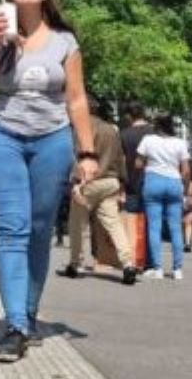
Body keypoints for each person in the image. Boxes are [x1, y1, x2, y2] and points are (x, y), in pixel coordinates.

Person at [0, 0, 96, 364]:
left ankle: (30, 310)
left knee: (40, 230)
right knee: (11, 230)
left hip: (53, 141)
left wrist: (87, 153)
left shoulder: (64, 42)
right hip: (3, 137)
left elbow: (76, 99)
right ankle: (16, 325)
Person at [58, 99, 138, 285]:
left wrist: (73, 181)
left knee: (77, 224)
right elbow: (120, 157)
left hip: (88, 182)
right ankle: (128, 263)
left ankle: (75, 263)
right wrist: (122, 183)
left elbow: (74, 156)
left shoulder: (80, 129)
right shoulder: (111, 129)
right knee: (114, 224)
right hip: (110, 181)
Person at [135, 115, 191, 280]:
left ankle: (158, 269)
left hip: (153, 181)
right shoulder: (180, 143)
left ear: (157, 126)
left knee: (154, 227)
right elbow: (186, 171)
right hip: (174, 183)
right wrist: (185, 191)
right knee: (175, 227)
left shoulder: (148, 140)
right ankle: (177, 269)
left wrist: (149, 166)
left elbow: (137, 164)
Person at [118, 102, 153, 269]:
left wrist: (121, 186)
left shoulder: (124, 135)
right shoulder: (154, 132)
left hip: (132, 182)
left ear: (129, 116)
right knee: (151, 222)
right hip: (152, 180)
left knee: (132, 222)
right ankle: (151, 261)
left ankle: (133, 259)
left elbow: (122, 162)